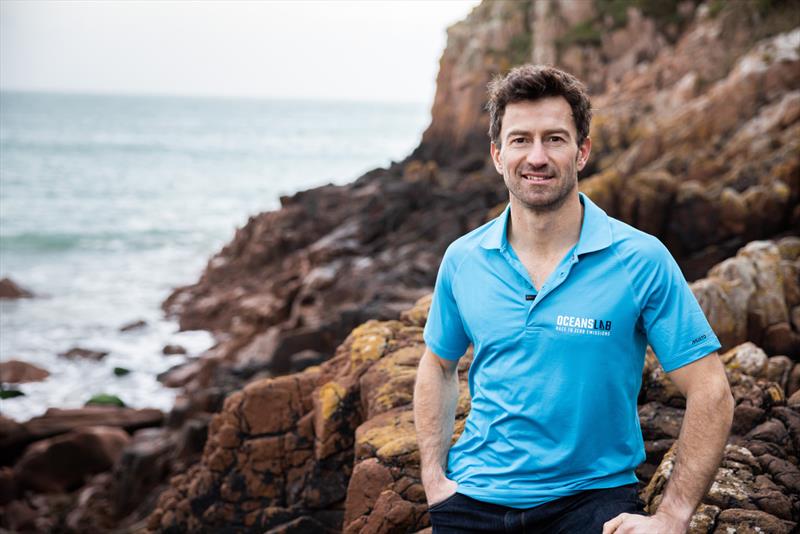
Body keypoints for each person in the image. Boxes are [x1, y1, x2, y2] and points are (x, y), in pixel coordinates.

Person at [412, 65, 734, 534]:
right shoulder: (463, 259)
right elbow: (437, 364)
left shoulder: (640, 259)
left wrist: (672, 516)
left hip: (590, 505)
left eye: (555, 139)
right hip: (471, 501)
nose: (537, 157)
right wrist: (434, 479)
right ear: (498, 155)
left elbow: (712, 390)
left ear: (582, 151)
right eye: (520, 140)